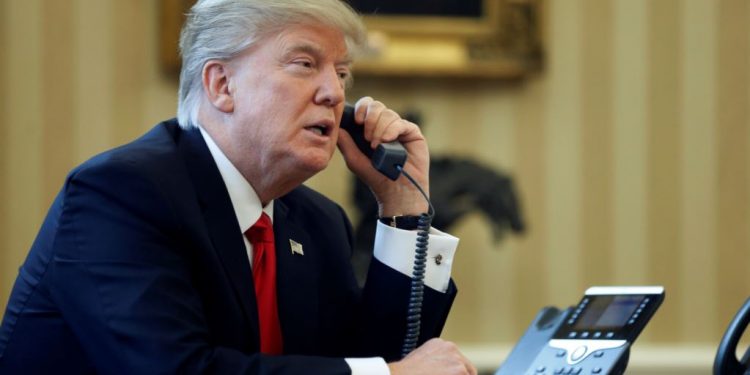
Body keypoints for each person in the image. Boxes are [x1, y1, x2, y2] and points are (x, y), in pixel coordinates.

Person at [0, 0, 476, 374]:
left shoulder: (315, 222)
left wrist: (403, 205)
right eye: (305, 64)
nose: (334, 93)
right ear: (221, 85)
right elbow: (175, 370)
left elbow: (376, 362)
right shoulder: (121, 194)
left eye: (342, 72)